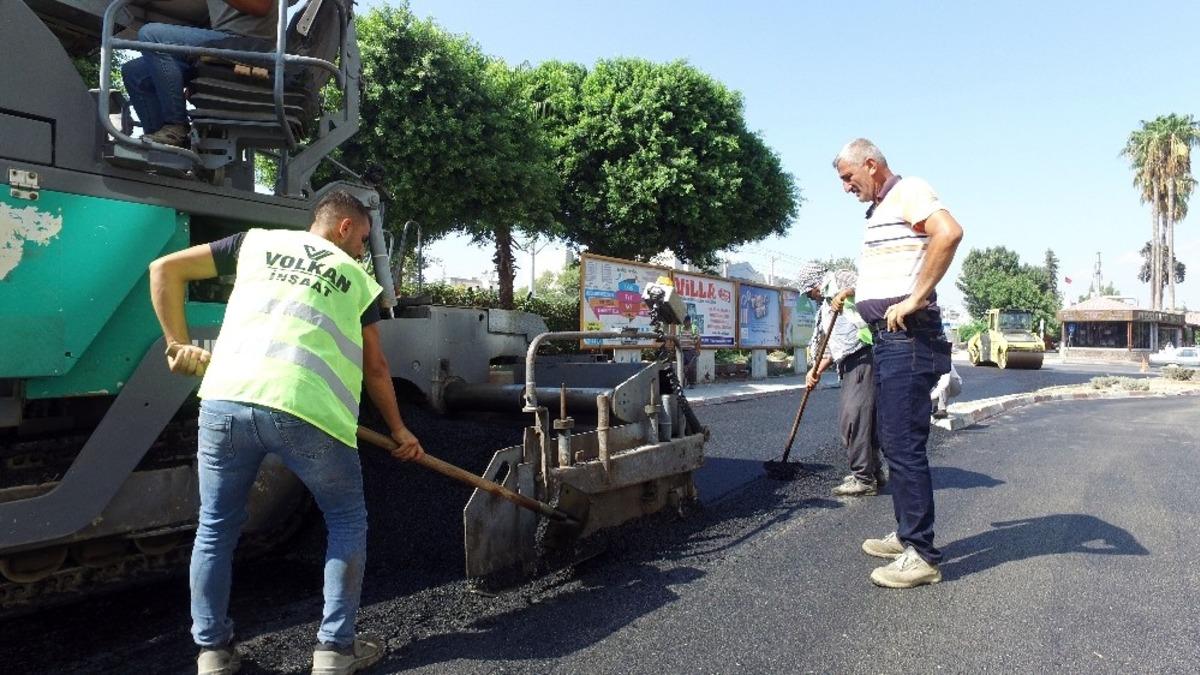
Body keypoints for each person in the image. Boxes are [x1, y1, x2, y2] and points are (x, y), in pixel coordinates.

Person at [149, 190, 425, 675]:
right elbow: (376, 368)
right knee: (345, 521)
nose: (362, 250)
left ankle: (212, 653)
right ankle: (334, 651)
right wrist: (401, 431)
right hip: (310, 411)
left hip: (226, 400)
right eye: (362, 238)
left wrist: (177, 343)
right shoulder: (356, 280)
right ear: (344, 228)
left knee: (215, 528)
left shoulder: (253, 244)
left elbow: (163, 269)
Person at [832, 138, 962, 589]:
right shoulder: (883, 210)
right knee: (893, 439)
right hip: (891, 340)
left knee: (903, 443)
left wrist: (915, 298)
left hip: (909, 338)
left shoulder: (909, 191)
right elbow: (900, 264)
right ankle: (909, 534)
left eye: (849, 178)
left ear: (871, 164)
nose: (847, 187)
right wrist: (859, 291)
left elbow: (949, 233)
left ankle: (921, 555)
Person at [122, 1, 279, 147]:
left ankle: (176, 126)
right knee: (135, 72)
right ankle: (163, 147)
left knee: (152, 35)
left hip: (249, 45)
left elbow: (261, 7)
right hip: (222, 42)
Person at [796, 262, 884, 497]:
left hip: (863, 356)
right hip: (849, 362)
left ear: (816, 282)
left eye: (808, 291)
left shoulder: (839, 278)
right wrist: (815, 370)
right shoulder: (825, 306)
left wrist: (844, 293)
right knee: (866, 420)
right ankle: (873, 471)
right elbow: (834, 348)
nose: (809, 296)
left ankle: (863, 479)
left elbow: (870, 288)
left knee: (852, 419)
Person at [678, 315, 701, 386]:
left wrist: (698, 350)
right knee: (683, 367)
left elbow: (698, 340)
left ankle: (691, 383)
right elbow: (679, 338)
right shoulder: (681, 328)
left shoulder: (694, 328)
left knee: (691, 368)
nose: (684, 323)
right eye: (683, 322)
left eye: (685, 322)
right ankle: (684, 382)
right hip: (682, 351)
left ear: (689, 321)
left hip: (691, 351)